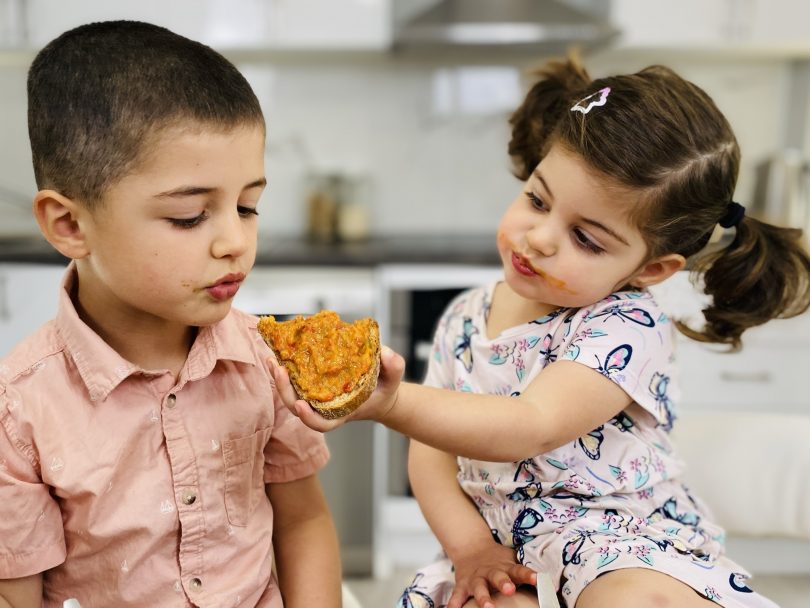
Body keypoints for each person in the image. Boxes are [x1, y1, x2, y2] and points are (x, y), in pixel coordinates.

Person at [271, 56, 810, 608]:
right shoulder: (465, 317)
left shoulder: (628, 324)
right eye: (537, 200)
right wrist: (471, 550)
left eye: (587, 239)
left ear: (651, 269)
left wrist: (388, 403)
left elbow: (533, 424)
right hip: (503, 544)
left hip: (618, 540)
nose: (541, 238)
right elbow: (430, 455)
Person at [0, 21, 341, 608]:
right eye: (189, 216)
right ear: (70, 225)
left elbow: (304, 522)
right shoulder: (20, 412)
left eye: (248, 206)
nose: (235, 240)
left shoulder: (266, 357)